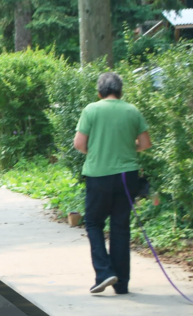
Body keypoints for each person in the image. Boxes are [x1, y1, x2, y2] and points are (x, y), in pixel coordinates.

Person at [73, 72, 152, 295]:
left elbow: (79, 143)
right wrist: (129, 149)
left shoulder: (92, 110)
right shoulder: (132, 110)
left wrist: (97, 152)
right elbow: (145, 143)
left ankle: (104, 272)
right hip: (128, 176)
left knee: (94, 223)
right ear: (120, 91)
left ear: (99, 92)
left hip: (99, 174)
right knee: (120, 227)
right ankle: (122, 284)